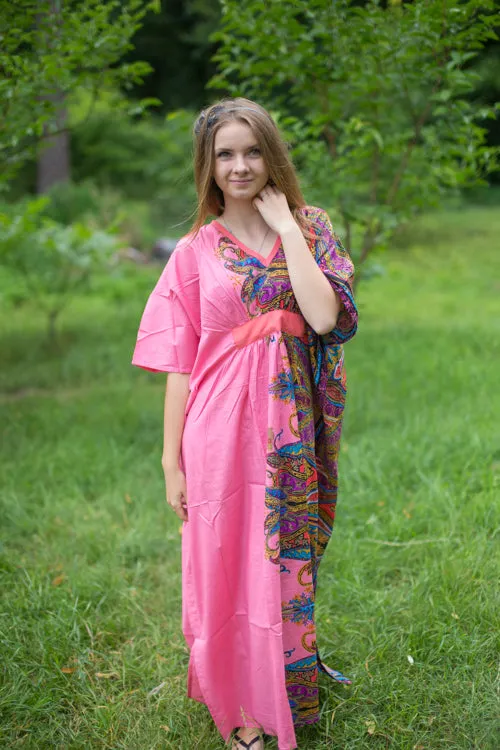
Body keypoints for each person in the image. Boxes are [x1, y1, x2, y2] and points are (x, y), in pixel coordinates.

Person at [132, 98, 358, 750]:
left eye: (250, 150)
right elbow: (181, 359)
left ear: (271, 154)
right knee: (224, 561)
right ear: (208, 164)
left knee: (284, 564)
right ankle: (242, 711)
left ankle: (286, 686)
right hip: (218, 431)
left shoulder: (311, 229)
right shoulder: (194, 251)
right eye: (224, 154)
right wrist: (171, 460)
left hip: (289, 430)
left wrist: (286, 228)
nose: (238, 165)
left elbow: (325, 318)